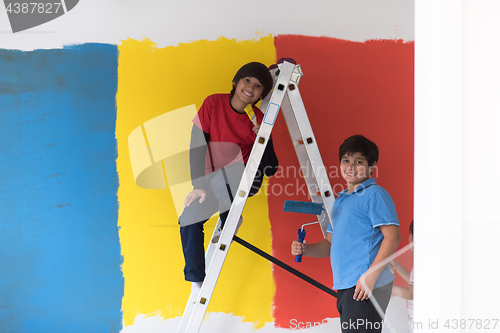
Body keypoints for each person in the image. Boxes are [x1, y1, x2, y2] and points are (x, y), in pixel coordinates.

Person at [179, 62, 279, 298]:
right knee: (188, 216)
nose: (251, 88)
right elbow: (196, 146)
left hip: (245, 178)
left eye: (258, 86)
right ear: (235, 82)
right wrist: (198, 187)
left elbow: (271, 168)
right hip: (214, 182)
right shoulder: (213, 103)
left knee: (222, 179)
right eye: (247, 81)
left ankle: (231, 217)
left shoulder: (259, 118)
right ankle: (196, 277)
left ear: (261, 94)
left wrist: (261, 138)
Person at [291, 134, 401, 333]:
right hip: (348, 284)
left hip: (365, 285)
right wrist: (306, 249)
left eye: (359, 161)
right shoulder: (341, 201)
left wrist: (370, 276)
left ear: (372, 165)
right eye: (346, 161)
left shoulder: (374, 194)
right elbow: (330, 244)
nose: (350, 167)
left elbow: (393, 237)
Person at [390, 221, 414, 330]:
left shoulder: (425, 263)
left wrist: (384, 288)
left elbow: (411, 293)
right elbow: (413, 281)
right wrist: (397, 267)